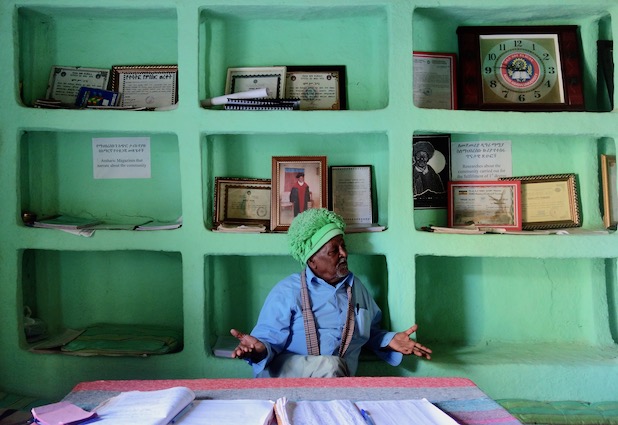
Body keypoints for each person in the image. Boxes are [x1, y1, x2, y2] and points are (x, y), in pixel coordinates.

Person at [230, 208, 432, 378]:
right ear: (312, 260)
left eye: (343, 246)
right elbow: (267, 340)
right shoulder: (287, 291)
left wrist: (389, 340)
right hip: (290, 381)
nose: (344, 254)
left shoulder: (356, 288)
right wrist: (257, 350)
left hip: (339, 385)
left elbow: (369, 333)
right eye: (334, 251)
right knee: (330, 365)